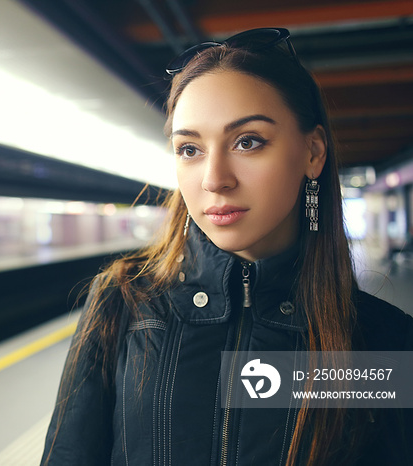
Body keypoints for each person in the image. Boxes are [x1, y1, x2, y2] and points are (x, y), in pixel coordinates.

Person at [40, 28, 413, 466]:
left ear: (312, 152)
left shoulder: (382, 341)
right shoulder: (124, 303)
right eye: (190, 148)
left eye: (248, 142)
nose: (214, 178)